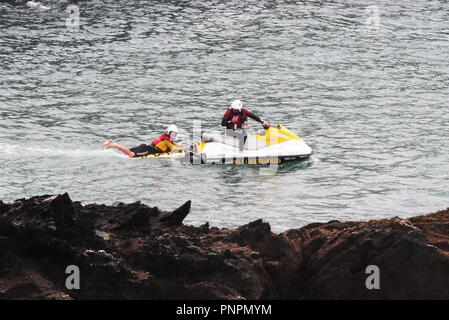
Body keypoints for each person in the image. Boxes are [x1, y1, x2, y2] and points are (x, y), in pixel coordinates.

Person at [102, 124, 180, 158]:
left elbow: (174, 144)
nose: (173, 135)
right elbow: (174, 148)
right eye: (172, 133)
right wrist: (186, 148)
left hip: (146, 147)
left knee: (126, 153)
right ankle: (115, 145)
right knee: (131, 155)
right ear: (168, 132)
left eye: (175, 134)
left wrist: (184, 146)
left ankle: (113, 143)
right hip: (147, 149)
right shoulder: (166, 141)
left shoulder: (166, 138)